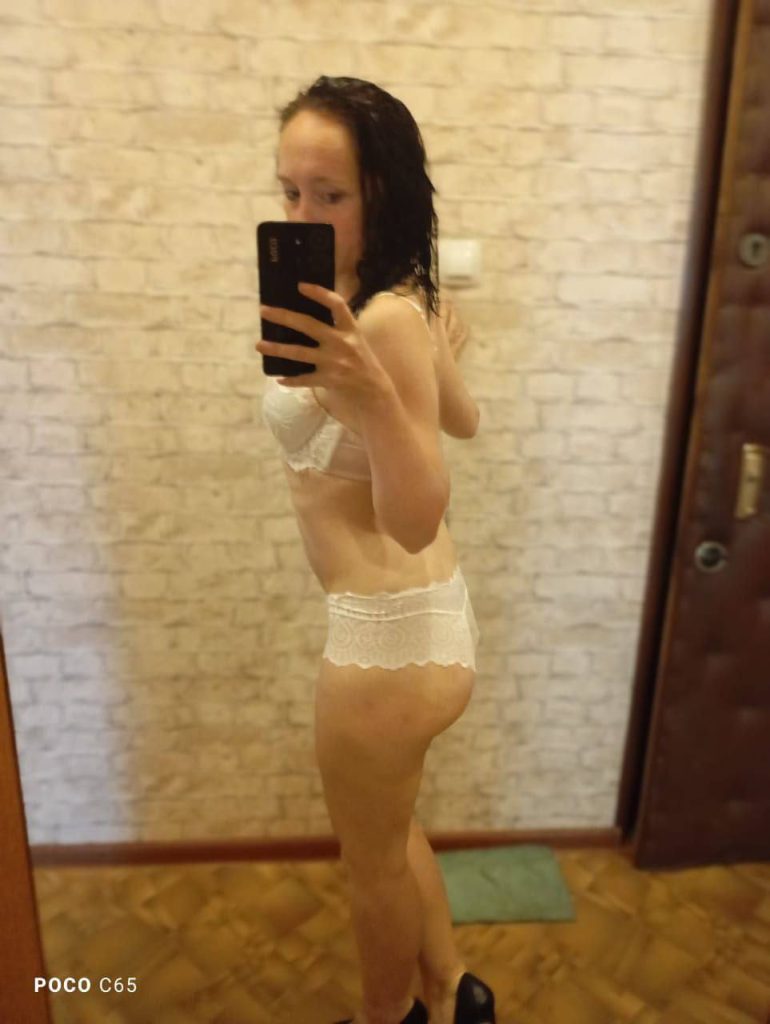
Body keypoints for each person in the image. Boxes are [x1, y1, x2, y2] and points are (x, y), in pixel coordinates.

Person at [257, 76, 496, 1024]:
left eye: (330, 195)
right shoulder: (389, 304)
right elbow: (466, 422)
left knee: (369, 868)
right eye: (289, 193)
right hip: (426, 621)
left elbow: (416, 514)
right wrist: (436, 363)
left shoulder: (382, 320)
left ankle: (389, 1015)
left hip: (383, 645)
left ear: (380, 193)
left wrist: (376, 392)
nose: (302, 216)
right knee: (392, 834)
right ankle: (453, 988)